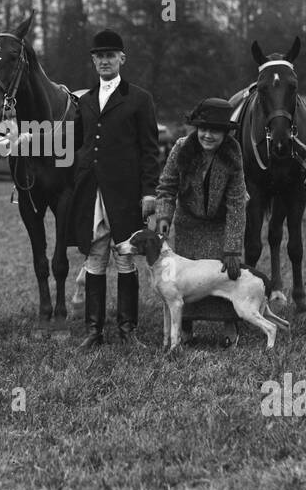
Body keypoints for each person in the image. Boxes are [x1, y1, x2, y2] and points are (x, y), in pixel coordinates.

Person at [67, 29, 161, 348]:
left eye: (110, 55)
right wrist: (26, 139)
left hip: (125, 194)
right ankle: (94, 331)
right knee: (95, 257)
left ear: (122, 59)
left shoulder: (139, 98)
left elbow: (150, 150)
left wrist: (149, 191)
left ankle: (127, 329)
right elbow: (74, 142)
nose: (104, 61)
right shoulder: (85, 100)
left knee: (124, 258)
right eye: (99, 56)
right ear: (93, 61)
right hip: (92, 192)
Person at [152, 98, 247, 345]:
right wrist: (163, 218)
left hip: (220, 224)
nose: (207, 135)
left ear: (225, 133)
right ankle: (184, 326)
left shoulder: (233, 152)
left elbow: (237, 202)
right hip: (188, 224)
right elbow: (166, 187)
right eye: (203, 129)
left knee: (225, 275)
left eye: (215, 131)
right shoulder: (181, 147)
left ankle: (230, 325)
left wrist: (233, 247)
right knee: (184, 280)